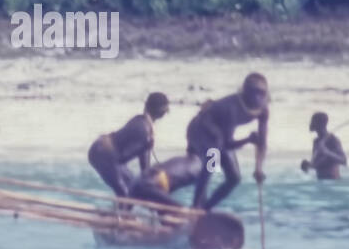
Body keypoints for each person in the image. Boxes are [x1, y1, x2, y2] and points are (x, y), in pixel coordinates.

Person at [187, 73, 269, 210]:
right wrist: (248, 139)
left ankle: (206, 208)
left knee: (234, 178)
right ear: (245, 91)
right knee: (212, 163)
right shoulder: (231, 108)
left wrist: (258, 168)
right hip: (201, 129)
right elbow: (227, 144)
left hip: (220, 137)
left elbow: (262, 142)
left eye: (261, 93)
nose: (257, 98)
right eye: (253, 92)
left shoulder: (263, 110)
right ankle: (196, 207)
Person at [87, 92, 169, 197]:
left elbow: (144, 169)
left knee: (132, 187)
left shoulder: (142, 121)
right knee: (125, 192)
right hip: (102, 153)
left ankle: (121, 212)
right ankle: (121, 213)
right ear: (161, 112)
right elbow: (125, 159)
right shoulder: (144, 129)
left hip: (104, 152)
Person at [301, 112, 347, 180]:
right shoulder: (316, 141)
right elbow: (318, 163)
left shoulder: (332, 139)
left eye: (313, 121)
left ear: (320, 124)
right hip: (321, 181)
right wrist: (308, 165)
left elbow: (343, 161)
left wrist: (326, 151)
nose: (310, 124)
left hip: (333, 181)